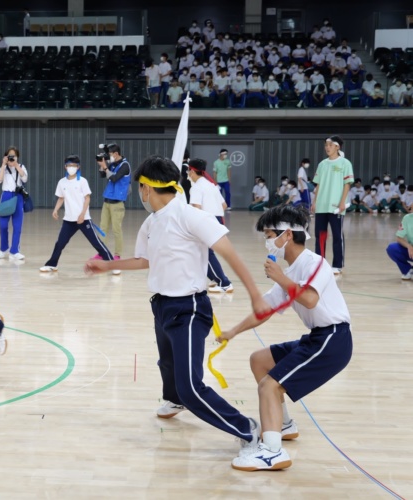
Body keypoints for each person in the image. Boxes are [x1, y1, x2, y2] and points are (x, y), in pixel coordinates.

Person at [85, 156, 270, 466]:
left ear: (145, 188)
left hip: (190, 307)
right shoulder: (151, 222)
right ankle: (173, 400)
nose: (139, 193)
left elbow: (229, 253)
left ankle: (247, 429)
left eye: (139, 188)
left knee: (191, 387)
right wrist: (108, 265)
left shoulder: (189, 216)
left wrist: (254, 295)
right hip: (162, 304)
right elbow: (144, 260)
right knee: (167, 361)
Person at [218, 205, 353, 471]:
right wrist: (232, 332)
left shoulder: (314, 263)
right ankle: (284, 425)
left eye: (269, 234)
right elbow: (264, 310)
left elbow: (311, 300)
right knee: (259, 360)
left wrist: (280, 278)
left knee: (269, 386)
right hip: (317, 337)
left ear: (287, 235)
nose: (267, 242)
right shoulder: (290, 272)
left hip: (333, 340)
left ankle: (271, 452)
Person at [39, 155, 115, 273]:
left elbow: (87, 198)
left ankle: (112, 265)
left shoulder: (82, 181)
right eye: (69, 165)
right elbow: (61, 198)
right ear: (65, 167)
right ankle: (52, 264)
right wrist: (55, 210)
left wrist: (82, 214)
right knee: (60, 243)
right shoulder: (62, 182)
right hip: (68, 220)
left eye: (74, 165)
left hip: (83, 219)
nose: (71, 167)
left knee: (96, 243)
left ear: (78, 167)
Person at [188, 159, 233, 293]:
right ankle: (214, 278)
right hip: (217, 220)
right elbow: (224, 205)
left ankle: (224, 283)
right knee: (202, 252)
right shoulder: (212, 185)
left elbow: (196, 208)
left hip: (206, 220)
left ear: (192, 171)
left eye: (189, 171)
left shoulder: (196, 187)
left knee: (205, 254)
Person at [312, 136, 353, 275]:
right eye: (326, 145)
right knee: (320, 236)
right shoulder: (322, 164)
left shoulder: (345, 163)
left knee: (337, 236)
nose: (327, 147)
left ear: (337, 147)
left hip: (336, 206)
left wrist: (342, 202)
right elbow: (318, 184)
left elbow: (347, 184)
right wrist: (314, 202)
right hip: (321, 205)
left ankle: (337, 265)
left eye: (330, 145)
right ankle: (320, 263)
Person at [95, 144, 131, 263]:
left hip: (117, 203)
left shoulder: (125, 165)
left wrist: (106, 167)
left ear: (116, 154)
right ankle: (101, 253)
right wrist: (102, 166)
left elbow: (114, 178)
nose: (109, 157)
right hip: (107, 200)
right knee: (103, 228)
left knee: (116, 229)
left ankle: (117, 255)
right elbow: (102, 175)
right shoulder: (113, 164)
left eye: (110, 155)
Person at [0, 146, 27, 261]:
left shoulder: (21, 167)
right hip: (6, 196)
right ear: (6, 157)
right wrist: (3, 165)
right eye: (10, 156)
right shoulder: (2, 168)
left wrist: (17, 165)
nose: (12, 158)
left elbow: (24, 179)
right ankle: (3, 249)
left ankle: (15, 251)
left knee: (17, 225)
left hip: (17, 196)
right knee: (3, 225)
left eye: (14, 155)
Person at [386, 213, 413, 280]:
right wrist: (409, 246)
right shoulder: (407, 218)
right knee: (392, 248)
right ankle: (408, 270)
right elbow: (399, 238)